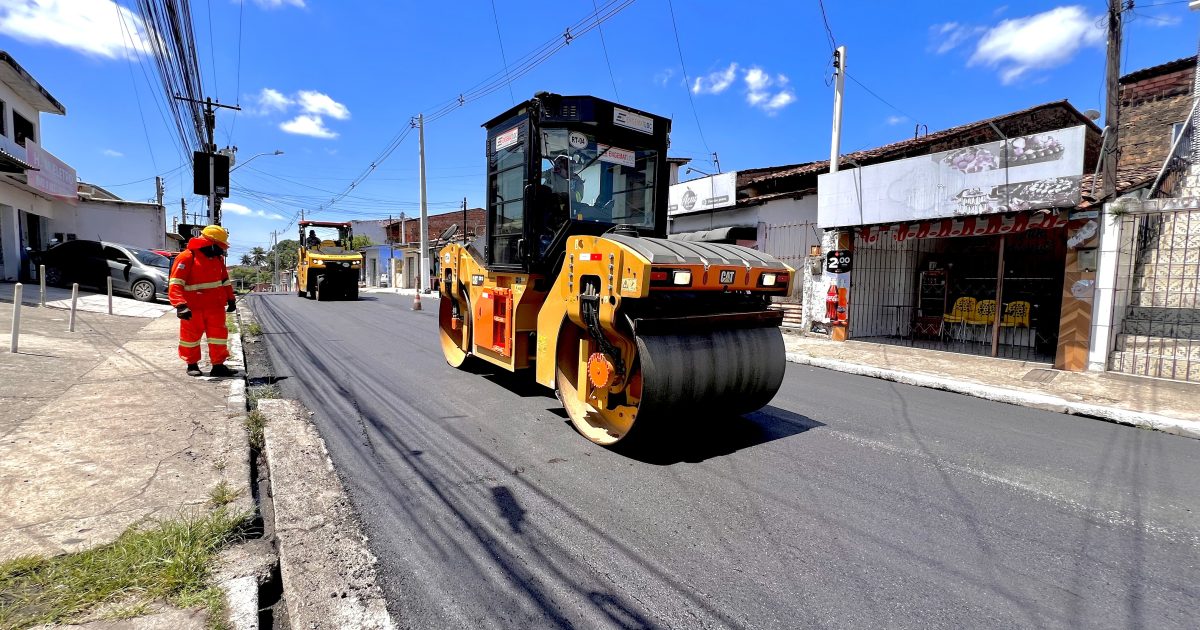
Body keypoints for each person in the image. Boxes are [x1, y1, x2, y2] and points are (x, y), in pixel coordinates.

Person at [169, 225, 238, 377]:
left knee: (218, 337)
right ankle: (192, 364)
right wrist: (180, 305)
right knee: (190, 338)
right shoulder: (187, 257)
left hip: (216, 307)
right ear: (210, 243)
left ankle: (218, 366)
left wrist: (231, 299)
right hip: (193, 308)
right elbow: (175, 283)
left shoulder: (218, 259)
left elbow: (224, 280)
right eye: (220, 247)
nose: (223, 250)